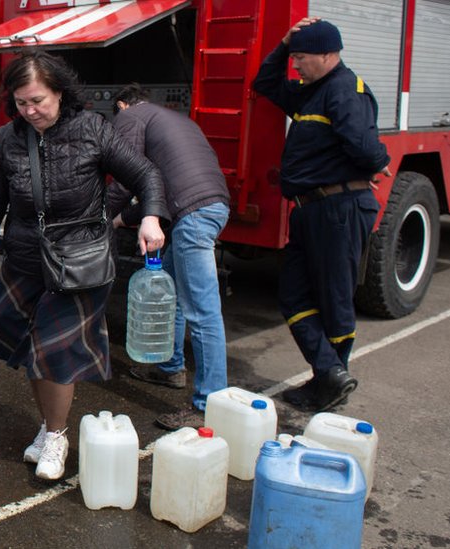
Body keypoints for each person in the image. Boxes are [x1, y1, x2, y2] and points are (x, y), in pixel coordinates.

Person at [0, 51, 167, 480]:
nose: (31, 111)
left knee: (54, 353)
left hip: (79, 263)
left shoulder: (92, 129)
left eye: (38, 100)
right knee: (32, 352)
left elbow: (147, 175)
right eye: (21, 103)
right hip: (25, 260)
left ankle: (56, 435)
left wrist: (150, 216)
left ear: (59, 92)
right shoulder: (6, 140)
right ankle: (49, 425)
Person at [253, 18, 390, 412]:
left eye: (301, 57)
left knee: (334, 300)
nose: (295, 65)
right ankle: (330, 373)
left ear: (329, 55)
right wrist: (283, 42)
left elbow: (365, 148)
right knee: (293, 294)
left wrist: (379, 161)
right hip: (311, 210)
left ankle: (328, 382)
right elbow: (263, 84)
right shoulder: (310, 92)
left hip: (339, 209)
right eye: (293, 57)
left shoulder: (346, 90)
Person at [107, 83, 231, 431]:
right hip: (211, 206)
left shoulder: (131, 117)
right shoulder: (178, 120)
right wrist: (121, 219)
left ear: (121, 104)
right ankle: (170, 368)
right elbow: (159, 185)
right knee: (174, 295)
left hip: (191, 215)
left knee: (202, 312)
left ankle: (209, 404)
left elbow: (125, 179)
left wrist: (98, 217)